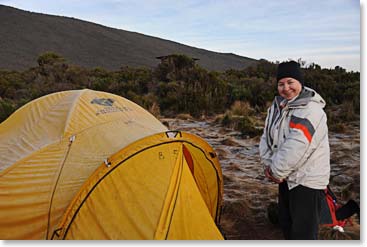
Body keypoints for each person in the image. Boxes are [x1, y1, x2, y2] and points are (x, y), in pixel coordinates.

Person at [259, 61, 330, 240]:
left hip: (306, 182)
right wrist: (269, 165)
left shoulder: (311, 111)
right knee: (286, 224)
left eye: (290, 82)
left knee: (303, 233)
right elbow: (266, 137)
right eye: (281, 84)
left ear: (300, 82)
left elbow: (297, 145)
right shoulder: (277, 107)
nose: (286, 88)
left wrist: (275, 171)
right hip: (285, 178)